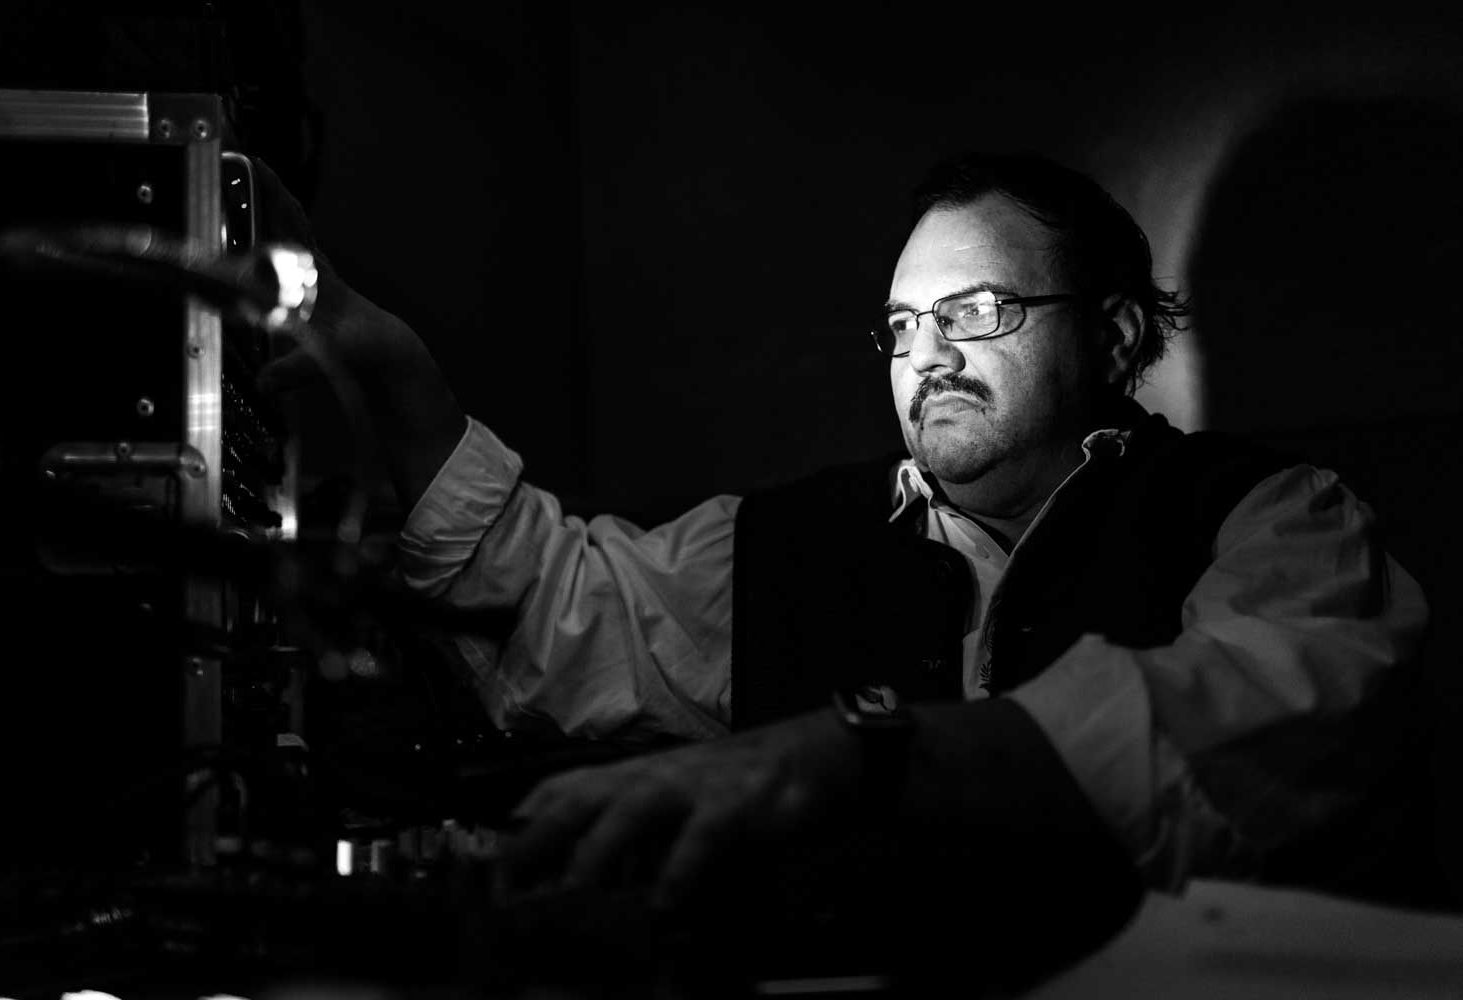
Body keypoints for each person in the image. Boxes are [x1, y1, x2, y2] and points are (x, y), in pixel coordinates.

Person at [257, 154, 1433, 976]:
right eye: (903, 326)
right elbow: (559, 601)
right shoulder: (783, 543)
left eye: (976, 310)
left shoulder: (1272, 519)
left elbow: (1242, 738)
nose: (928, 356)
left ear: (1116, 337)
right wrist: (395, 377)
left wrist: (854, 755)